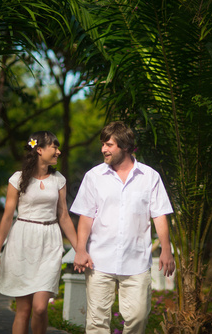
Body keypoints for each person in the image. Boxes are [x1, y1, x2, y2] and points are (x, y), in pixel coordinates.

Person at [71, 121, 175, 333]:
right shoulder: (94, 177)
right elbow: (86, 216)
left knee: (138, 317)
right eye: (103, 144)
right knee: (96, 323)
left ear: (125, 147)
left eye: (109, 144)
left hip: (136, 261)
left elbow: (159, 215)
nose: (103, 149)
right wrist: (80, 249)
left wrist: (166, 249)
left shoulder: (150, 177)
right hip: (99, 260)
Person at [0, 131, 77, 334]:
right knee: (24, 309)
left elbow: (63, 216)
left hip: (50, 241)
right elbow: (7, 217)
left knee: (40, 307)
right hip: (22, 241)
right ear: (39, 150)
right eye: (54, 147)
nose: (58, 151)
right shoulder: (17, 179)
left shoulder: (59, 180)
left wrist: (80, 249)